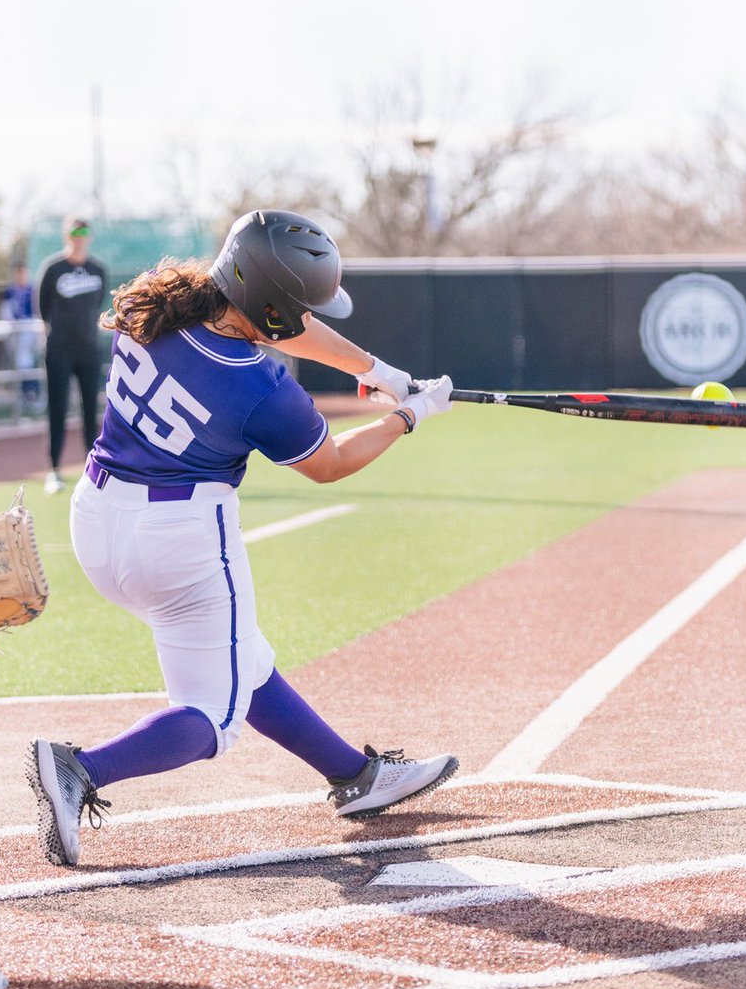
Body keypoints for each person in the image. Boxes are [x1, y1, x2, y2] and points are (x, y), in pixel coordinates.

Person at [25, 209, 457, 868]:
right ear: (274, 307)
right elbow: (329, 464)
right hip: (181, 542)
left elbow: (281, 322)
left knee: (240, 657)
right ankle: (81, 769)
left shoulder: (155, 303)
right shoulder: (259, 385)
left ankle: (355, 776)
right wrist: (409, 415)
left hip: (97, 521)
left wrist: (377, 368)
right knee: (212, 715)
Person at [34, 216, 109, 494]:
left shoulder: (98, 270)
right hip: (59, 350)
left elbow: (98, 303)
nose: (80, 236)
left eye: (84, 230)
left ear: (89, 235)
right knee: (57, 409)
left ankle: (92, 470)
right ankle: (54, 470)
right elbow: (43, 308)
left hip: (89, 350)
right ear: (67, 235)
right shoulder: (53, 268)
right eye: (75, 231)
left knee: (91, 411)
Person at [0, 263, 41, 414]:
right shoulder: (10, 291)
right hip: (15, 330)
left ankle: (32, 394)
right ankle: (25, 394)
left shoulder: (32, 290)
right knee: (20, 362)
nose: (21, 276)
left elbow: (38, 310)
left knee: (27, 361)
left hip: (30, 328)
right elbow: (5, 311)